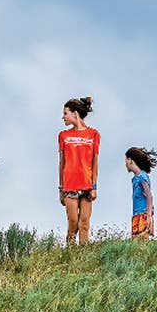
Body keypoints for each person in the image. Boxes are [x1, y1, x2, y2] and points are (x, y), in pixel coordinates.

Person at [57, 96, 100, 245]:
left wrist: (94, 186)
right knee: (73, 222)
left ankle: (83, 255)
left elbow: (95, 162)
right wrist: (60, 188)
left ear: (75, 113)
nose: (63, 117)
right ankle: (69, 251)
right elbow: (61, 162)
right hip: (69, 184)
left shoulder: (94, 134)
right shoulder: (63, 135)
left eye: (65, 113)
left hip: (87, 184)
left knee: (84, 223)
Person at [125, 146, 157, 239]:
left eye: (126, 161)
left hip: (143, 214)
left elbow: (149, 195)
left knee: (143, 239)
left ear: (130, 160)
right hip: (136, 214)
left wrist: (149, 214)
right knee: (135, 241)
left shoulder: (142, 176)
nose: (125, 164)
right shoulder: (134, 179)